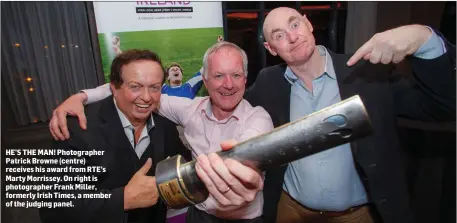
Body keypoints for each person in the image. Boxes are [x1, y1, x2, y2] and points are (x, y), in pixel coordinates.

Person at [243, 7, 455, 223]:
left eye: (295, 24)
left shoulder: (366, 75)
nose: (292, 37)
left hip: (357, 215)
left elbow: (442, 106)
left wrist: (423, 40)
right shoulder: (269, 83)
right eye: (279, 35)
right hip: (291, 212)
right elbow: (233, 104)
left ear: (308, 23)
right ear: (271, 48)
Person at [48, 41, 273, 222]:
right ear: (205, 80)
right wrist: (82, 96)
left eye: (235, 75)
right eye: (218, 76)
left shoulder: (256, 118)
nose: (228, 84)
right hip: (199, 215)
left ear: (245, 78)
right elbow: (53, 204)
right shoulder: (76, 129)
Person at [40, 49, 191, 223]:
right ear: (113, 88)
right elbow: (53, 206)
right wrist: (123, 199)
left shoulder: (165, 126)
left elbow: (182, 165)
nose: (147, 97)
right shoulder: (76, 128)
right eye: (135, 87)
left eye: (155, 88)